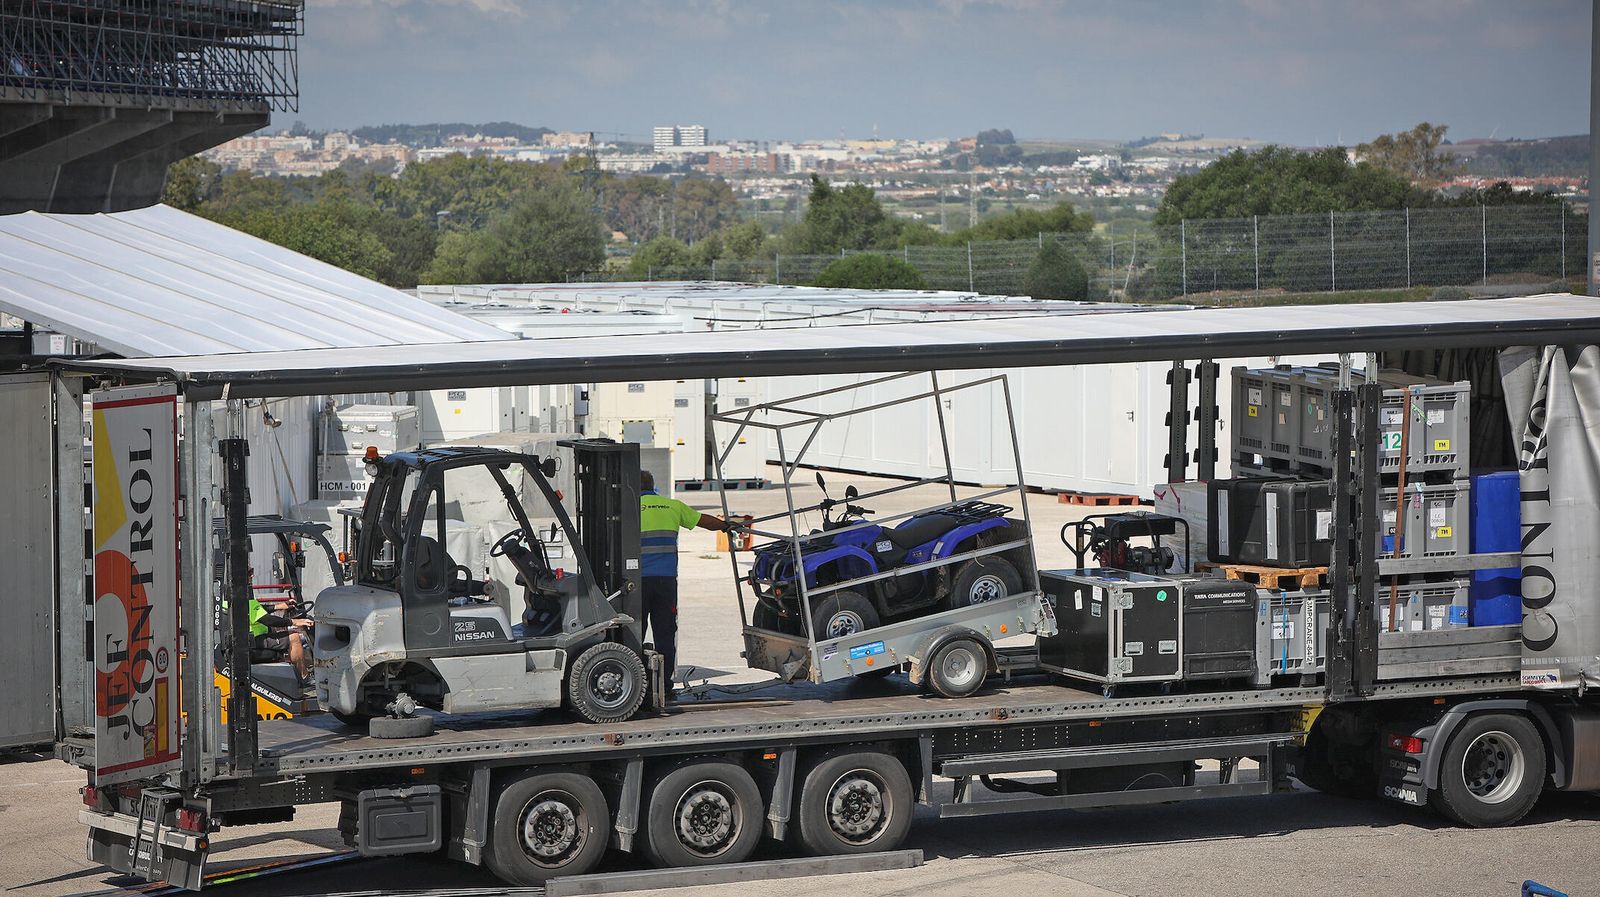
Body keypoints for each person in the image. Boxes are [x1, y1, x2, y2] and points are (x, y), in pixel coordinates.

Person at [639, 469, 744, 689]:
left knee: (632, 634)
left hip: (636, 583)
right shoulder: (672, 506)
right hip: (666, 582)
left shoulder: (627, 509)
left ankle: (636, 681)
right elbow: (703, 520)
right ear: (653, 485)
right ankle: (664, 686)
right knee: (665, 634)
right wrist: (726, 525)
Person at [249, 595, 312, 681]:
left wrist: (278, 606)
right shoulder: (244, 599)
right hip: (255, 640)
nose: (250, 582)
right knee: (294, 637)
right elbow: (268, 620)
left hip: (254, 637)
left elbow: (258, 609)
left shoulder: (234, 600)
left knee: (288, 630)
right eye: (249, 580)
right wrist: (294, 622)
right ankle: (304, 677)